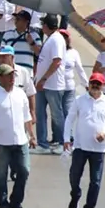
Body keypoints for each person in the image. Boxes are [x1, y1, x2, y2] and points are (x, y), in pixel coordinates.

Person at [63, 72, 105, 208]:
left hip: (98, 149)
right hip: (80, 146)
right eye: (93, 83)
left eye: (98, 84)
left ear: (103, 86)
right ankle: (75, 194)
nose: (95, 86)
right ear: (88, 84)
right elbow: (69, 119)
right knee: (74, 176)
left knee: (95, 180)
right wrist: (66, 139)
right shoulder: (79, 100)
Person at [0, 64, 36, 208]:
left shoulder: (20, 94)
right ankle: (3, 205)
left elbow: (27, 117)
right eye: (8, 75)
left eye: (13, 75)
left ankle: (15, 202)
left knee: (24, 170)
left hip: (21, 141)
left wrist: (32, 136)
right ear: (0, 77)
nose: (12, 78)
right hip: (1, 143)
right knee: (1, 175)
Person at [34, 14, 66, 153]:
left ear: (46, 26)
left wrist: (44, 79)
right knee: (40, 114)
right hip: (43, 84)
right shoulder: (50, 38)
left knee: (56, 115)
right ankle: (42, 144)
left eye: (43, 24)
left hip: (53, 85)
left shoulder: (57, 39)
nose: (42, 27)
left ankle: (62, 143)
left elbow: (56, 62)